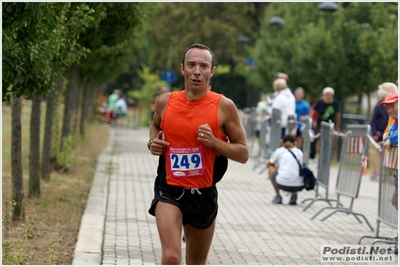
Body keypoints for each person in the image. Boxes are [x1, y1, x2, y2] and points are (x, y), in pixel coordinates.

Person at [147, 43, 249, 265]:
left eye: (203, 66)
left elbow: (243, 153)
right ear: (182, 68)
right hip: (169, 188)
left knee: (196, 262)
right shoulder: (165, 102)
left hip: (203, 193)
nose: (197, 71)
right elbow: (155, 127)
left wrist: (214, 142)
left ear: (212, 72)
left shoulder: (224, 106)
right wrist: (153, 142)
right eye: (191, 65)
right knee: (172, 257)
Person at [369, 82, 397, 180]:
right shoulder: (378, 107)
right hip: (380, 134)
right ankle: (376, 173)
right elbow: (373, 121)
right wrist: (376, 133)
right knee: (379, 153)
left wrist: (389, 138)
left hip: (389, 138)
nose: (389, 110)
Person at [267, 135, 304, 205]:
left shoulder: (279, 151)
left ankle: (278, 196)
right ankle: (294, 194)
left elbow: (269, 164)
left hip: (282, 183)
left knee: (271, 169)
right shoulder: (299, 152)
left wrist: (277, 169)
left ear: (282, 143)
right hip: (299, 185)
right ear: (295, 143)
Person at [309, 87, 341, 159]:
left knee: (328, 141)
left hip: (330, 125)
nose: (328, 96)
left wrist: (337, 127)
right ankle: (318, 157)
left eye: (330, 95)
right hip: (320, 125)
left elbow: (338, 115)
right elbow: (313, 112)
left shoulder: (335, 103)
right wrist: (312, 121)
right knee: (319, 140)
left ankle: (326, 157)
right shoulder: (320, 102)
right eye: (327, 94)